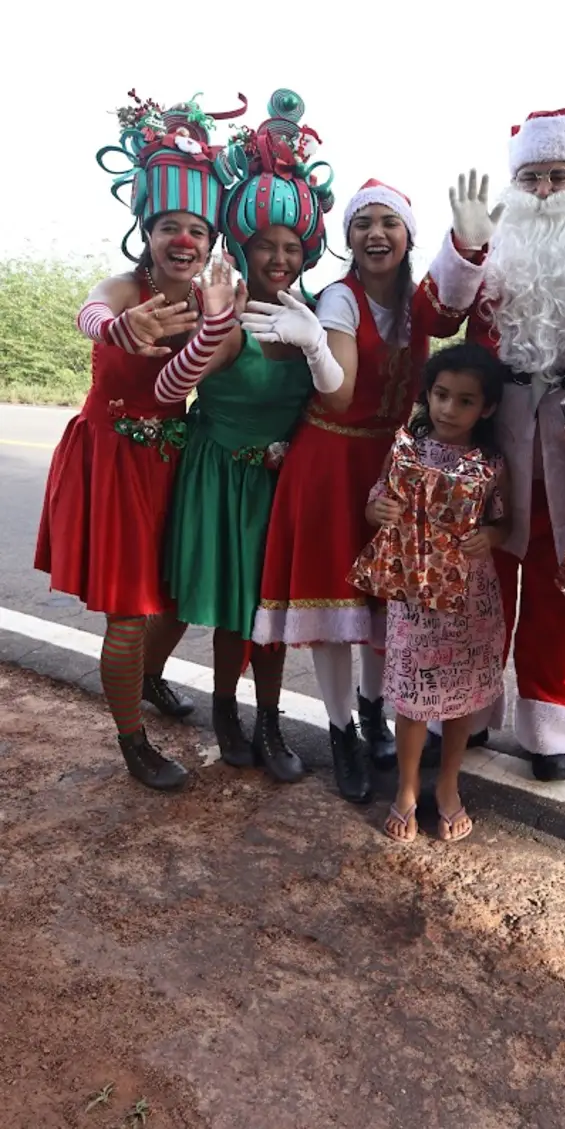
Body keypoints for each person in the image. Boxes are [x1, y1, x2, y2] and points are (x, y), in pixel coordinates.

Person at [244, 178, 486, 803]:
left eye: (390, 223)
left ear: (408, 237)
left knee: (387, 603)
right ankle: (342, 730)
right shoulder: (339, 301)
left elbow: (452, 312)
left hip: (393, 461)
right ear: (347, 238)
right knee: (333, 607)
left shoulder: (415, 300)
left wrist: (468, 244)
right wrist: (315, 344)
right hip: (330, 461)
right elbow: (342, 393)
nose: (375, 233)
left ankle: (376, 710)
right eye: (362, 223)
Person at [35, 92, 245, 790]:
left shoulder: (208, 303)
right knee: (128, 615)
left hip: (171, 459)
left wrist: (213, 329)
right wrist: (119, 330)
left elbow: (171, 387)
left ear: (210, 241)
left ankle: (149, 678)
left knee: (181, 598)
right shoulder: (124, 288)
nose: (183, 239)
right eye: (169, 228)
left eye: (196, 229)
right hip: (111, 460)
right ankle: (133, 741)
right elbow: (89, 312)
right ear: (147, 233)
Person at [427, 101, 565, 779]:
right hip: (491, 442)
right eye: (533, 179)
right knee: (477, 580)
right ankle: (465, 709)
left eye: (559, 176)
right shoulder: (490, 245)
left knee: (564, 585)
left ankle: (552, 727)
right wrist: (464, 248)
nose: (544, 192)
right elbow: (439, 312)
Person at [148, 91, 336, 783]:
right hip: (220, 469)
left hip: (279, 478)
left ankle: (269, 717)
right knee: (227, 607)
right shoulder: (214, 305)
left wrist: (317, 352)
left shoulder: (316, 313)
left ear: (307, 248)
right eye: (267, 245)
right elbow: (171, 387)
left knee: (275, 610)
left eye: (292, 246)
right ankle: (226, 707)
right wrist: (214, 328)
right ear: (245, 245)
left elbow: (336, 394)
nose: (280, 257)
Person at [367, 343, 510, 843]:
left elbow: (501, 522)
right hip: (414, 595)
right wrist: (379, 512)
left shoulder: (491, 462)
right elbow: (376, 499)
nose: (449, 409)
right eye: (441, 395)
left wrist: (488, 537)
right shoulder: (405, 447)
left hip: (471, 598)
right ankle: (406, 789)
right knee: (411, 698)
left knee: (459, 699)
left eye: (465, 400)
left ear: (486, 407)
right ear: (428, 395)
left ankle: (448, 785)